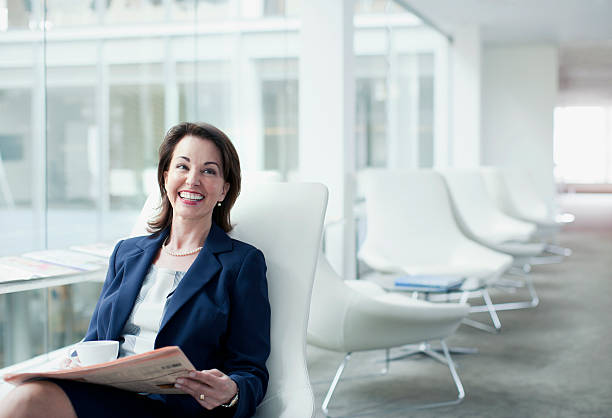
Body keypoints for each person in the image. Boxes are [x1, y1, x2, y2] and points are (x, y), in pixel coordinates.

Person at [0, 122, 271, 418]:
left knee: (29, 401)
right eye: (183, 166)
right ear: (166, 177)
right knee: (24, 397)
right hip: (109, 394)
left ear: (223, 189)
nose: (192, 180)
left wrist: (232, 391)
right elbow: (96, 340)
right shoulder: (127, 253)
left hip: (176, 407)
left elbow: (251, 370)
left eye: (209, 171)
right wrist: (75, 361)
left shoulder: (241, 263)